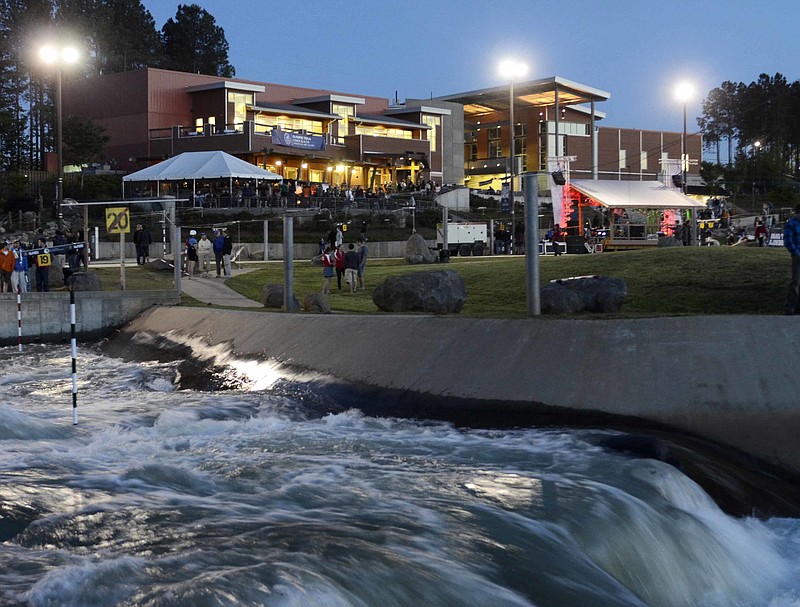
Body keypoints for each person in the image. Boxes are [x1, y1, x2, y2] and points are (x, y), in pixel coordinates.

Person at [783, 204, 800, 315]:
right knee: (796, 282)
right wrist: (796, 252)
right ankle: (790, 308)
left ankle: (798, 308)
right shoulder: (791, 224)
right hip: (797, 255)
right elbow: (788, 241)